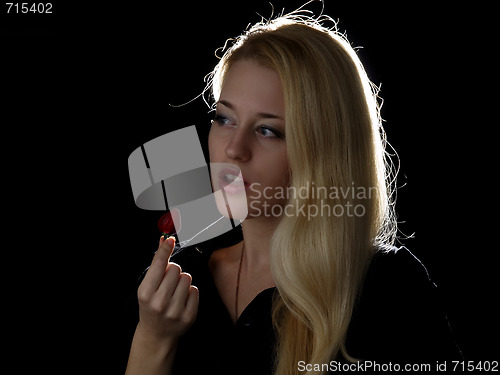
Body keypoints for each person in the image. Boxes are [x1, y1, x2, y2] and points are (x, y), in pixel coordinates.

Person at [125, 11, 461, 375]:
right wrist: (153, 339)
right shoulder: (178, 282)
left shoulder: (389, 291)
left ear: (325, 152)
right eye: (225, 119)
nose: (234, 149)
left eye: (268, 131)